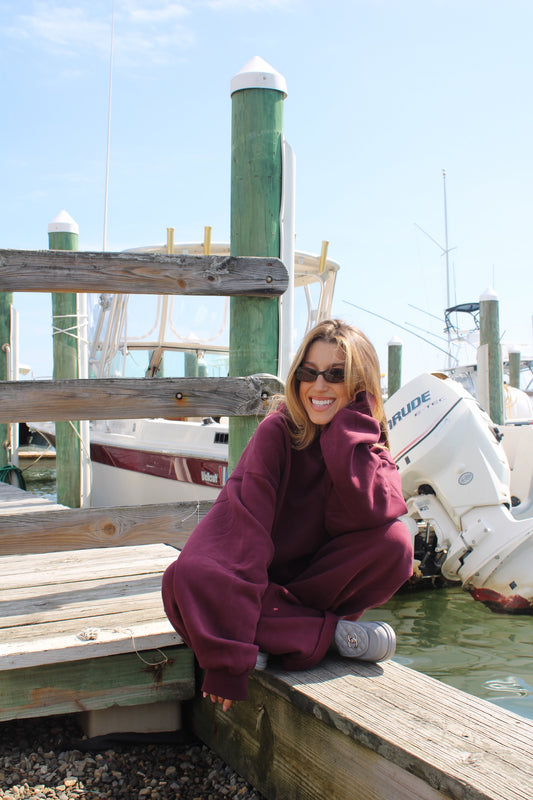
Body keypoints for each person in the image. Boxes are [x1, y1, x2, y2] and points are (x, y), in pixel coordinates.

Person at [162, 319, 413, 711]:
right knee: (185, 579)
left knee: (396, 544)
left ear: (360, 386)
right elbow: (246, 536)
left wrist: (346, 434)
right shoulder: (277, 432)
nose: (318, 386)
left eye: (336, 375)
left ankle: (278, 635)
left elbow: (375, 512)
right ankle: (325, 636)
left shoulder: (366, 447)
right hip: (256, 581)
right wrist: (227, 667)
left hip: (301, 595)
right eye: (308, 374)